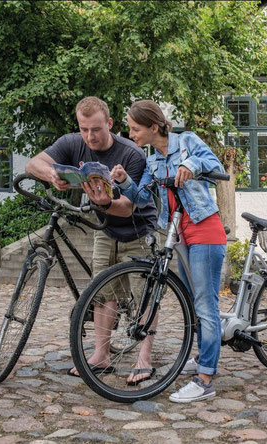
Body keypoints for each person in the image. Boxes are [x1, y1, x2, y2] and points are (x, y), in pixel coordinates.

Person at [25, 96, 158, 378]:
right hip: (104, 229)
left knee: (144, 294)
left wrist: (105, 202)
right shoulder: (73, 142)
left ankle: (144, 358)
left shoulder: (132, 154)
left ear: (109, 124)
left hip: (137, 229)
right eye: (84, 129)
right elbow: (32, 164)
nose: (89, 136)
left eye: (96, 129)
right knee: (102, 292)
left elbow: (128, 208)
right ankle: (101, 355)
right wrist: (51, 174)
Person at [111, 99, 227, 403]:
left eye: (135, 128)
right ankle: (203, 356)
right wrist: (124, 182)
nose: (131, 133)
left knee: (206, 304)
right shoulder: (152, 162)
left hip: (204, 226)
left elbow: (217, 166)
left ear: (153, 126)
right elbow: (141, 198)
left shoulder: (187, 142)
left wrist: (192, 164)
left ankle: (205, 379)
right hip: (178, 232)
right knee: (192, 301)